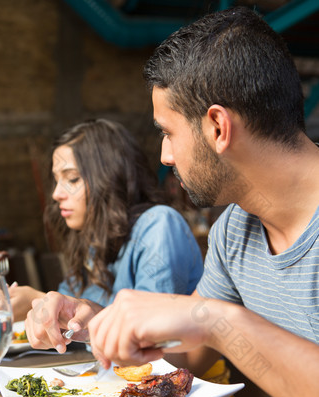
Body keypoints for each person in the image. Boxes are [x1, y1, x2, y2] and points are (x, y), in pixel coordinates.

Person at [26, 7, 319, 397]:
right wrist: (95, 323)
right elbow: (185, 360)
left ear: (218, 127)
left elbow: (214, 327)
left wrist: (219, 321)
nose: (165, 156)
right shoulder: (233, 232)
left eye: (167, 132)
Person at [13, 118, 203, 332]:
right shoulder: (94, 240)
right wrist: (36, 307)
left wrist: (36, 299)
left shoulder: (158, 225)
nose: (56, 194)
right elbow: (73, 325)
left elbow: (149, 332)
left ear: (110, 179)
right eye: (56, 181)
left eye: (72, 179)